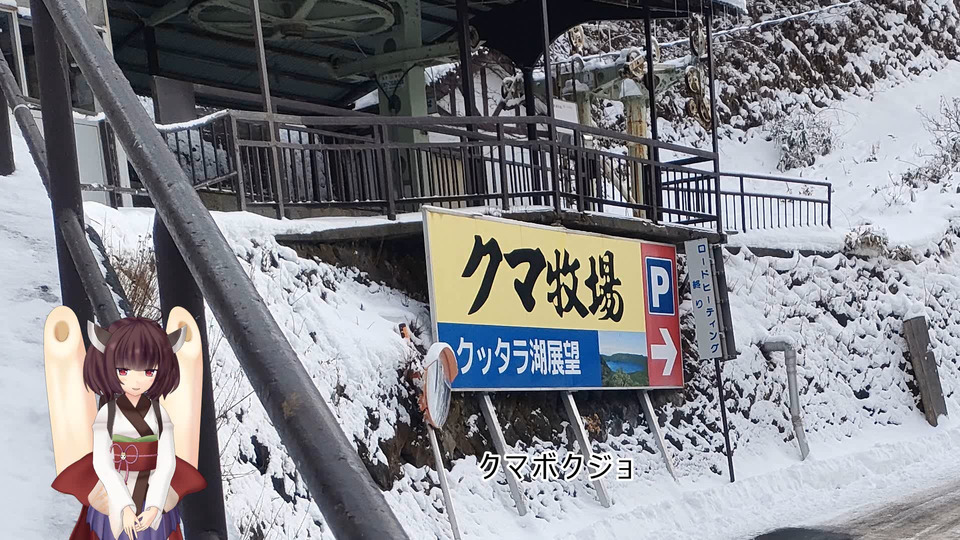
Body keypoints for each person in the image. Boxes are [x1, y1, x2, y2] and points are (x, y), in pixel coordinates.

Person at [51, 317, 205, 540]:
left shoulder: (159, 414)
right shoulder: (108, 414)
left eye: (148, 372)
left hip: (151, 490)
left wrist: (154, 506)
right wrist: (123, 506)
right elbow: (102, 463)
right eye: (124, 371)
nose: (136, 381)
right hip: (113, 492)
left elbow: (166, 462)